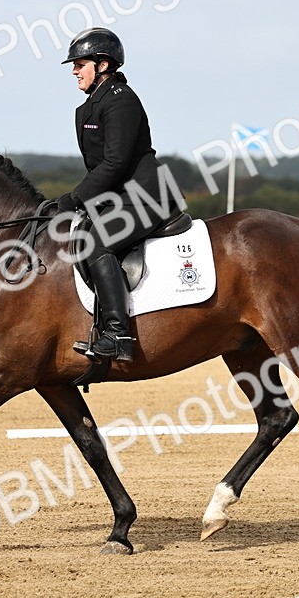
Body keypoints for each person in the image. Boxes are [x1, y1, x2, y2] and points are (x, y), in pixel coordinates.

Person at [53, 27, 183, 363]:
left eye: (80, 63)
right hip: (120, 199)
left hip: (148, 197)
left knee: (97, 243)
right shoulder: (86, 110)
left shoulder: (121, 100)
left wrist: (75, 198)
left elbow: (116, 162)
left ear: (103, 63)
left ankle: (117, 334)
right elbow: (98, 167)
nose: (74, 70)